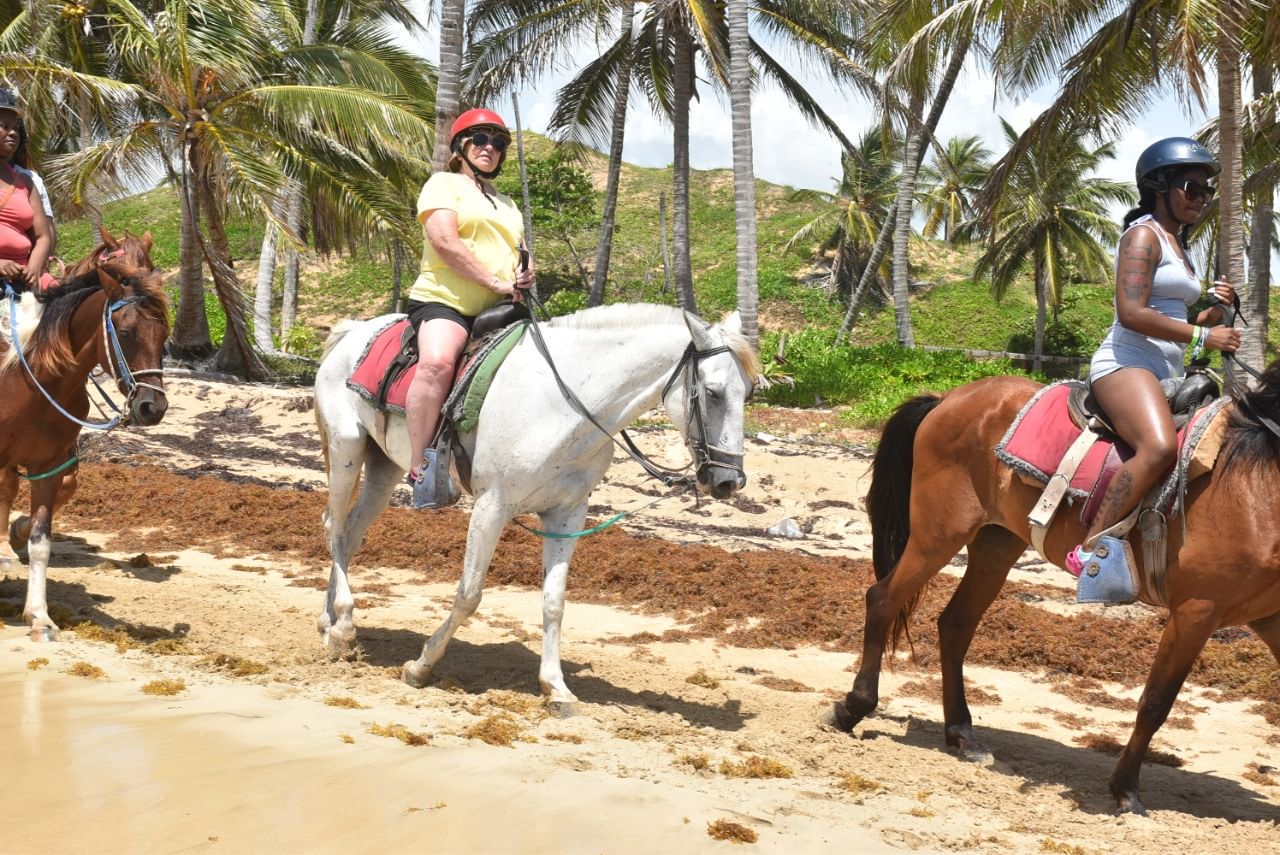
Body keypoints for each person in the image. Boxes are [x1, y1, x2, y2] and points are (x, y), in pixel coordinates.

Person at [1068, 137, 1241, 585]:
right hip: (1126, 363)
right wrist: (1205, 333)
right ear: (1160, 186)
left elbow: (1174, 320)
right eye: (1192, 187)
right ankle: (1088, 549)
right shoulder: (1143, 235)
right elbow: (1132, 312)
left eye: (1207, 192)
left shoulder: (1177, 245)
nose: (1201, 199)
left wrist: (1216, 314)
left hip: (1166, 367)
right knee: (1160, 447)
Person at [404, 108, 535, 508]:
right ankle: (420, 467)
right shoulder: (443, 184)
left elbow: (519, 251)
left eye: (498, 143)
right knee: (438, 363)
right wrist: (493, 281)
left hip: (498, 310)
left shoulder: (507, 203)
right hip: (445, 302)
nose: (489, 149)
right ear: (460, 147)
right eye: (480, 139)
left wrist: (525, 274)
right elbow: (445, 241)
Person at [0, 87, 56, 293]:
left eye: (15, 127)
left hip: (26, 275)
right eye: (4, 126)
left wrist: (33, 268)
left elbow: (43, 236)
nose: (13, 132)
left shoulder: (26, 181)